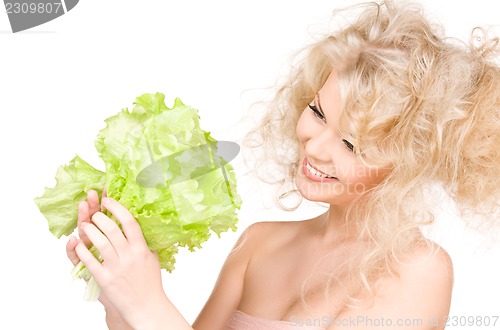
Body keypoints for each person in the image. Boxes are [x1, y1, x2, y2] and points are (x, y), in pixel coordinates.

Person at [66, 1, 500, 329]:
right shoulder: (258, 245)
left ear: (407, 166)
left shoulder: (419, 271)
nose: (316, 148)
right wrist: (118, 290)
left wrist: (147, 302)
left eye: (352, 144)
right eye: (318, 112)